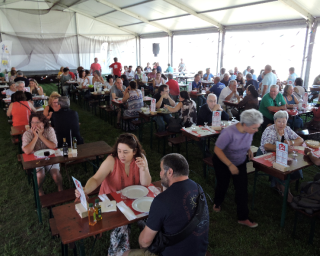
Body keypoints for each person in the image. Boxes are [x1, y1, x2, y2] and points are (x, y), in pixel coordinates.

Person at [75, 133, 151, 256]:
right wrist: (85, 190)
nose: (121, 155)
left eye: (126, 152)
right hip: (111, 203)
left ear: (134, 151)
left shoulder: (140, 158)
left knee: (153, 218)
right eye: (119, 151)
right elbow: (96, 179)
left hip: (133, 201)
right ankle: (119, 252)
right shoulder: (112, 160)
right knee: (122, 227)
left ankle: (151, 244)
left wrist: (144, 169)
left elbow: (146, 184)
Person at [124, 153, 209, 256]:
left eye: (161, 170)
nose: (160, 174)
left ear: (170, 172)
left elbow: (144, 242)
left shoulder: (161, 201)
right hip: (200, 252)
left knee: (127, 253)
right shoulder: (198, 189)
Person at [213, 109, 263, 228]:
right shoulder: (228, 133)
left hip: (240, 161)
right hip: (223, 162)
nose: (256, 130)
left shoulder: (248, 131)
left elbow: (246, 140)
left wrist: (249, 149)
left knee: (242, 189)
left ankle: (243, 217)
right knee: (222, 184)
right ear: (245, 124)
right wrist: (230, 165)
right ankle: (217, 202)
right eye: (255, 128)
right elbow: (217, 150)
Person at [257, 111, 304, 202]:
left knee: (297, 169)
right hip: (265, 155)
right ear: (275, 121)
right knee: (282, 168)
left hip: (280, 154)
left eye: (284, 121)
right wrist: (284, 148)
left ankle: (279, 184)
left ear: (287, 122)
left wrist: (291, 142)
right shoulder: (270, 130)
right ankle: (284, 190)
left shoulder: (287, 129)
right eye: (279, 121)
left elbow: (300, 139)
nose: (281, 124)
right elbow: (267, 146)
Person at [22, 112, 62, 196]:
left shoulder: (49, 130)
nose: (35, 125)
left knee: (55, 175)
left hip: (50, 156)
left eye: (37, 122)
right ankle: (40, 190)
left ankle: (60, 187)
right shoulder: (27, 134)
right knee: (40, 174)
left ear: (43, 122)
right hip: (36, 158)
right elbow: (27, 151)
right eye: (32, 122)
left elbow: (53, 146)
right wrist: (36, 137)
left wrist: (41, 136)